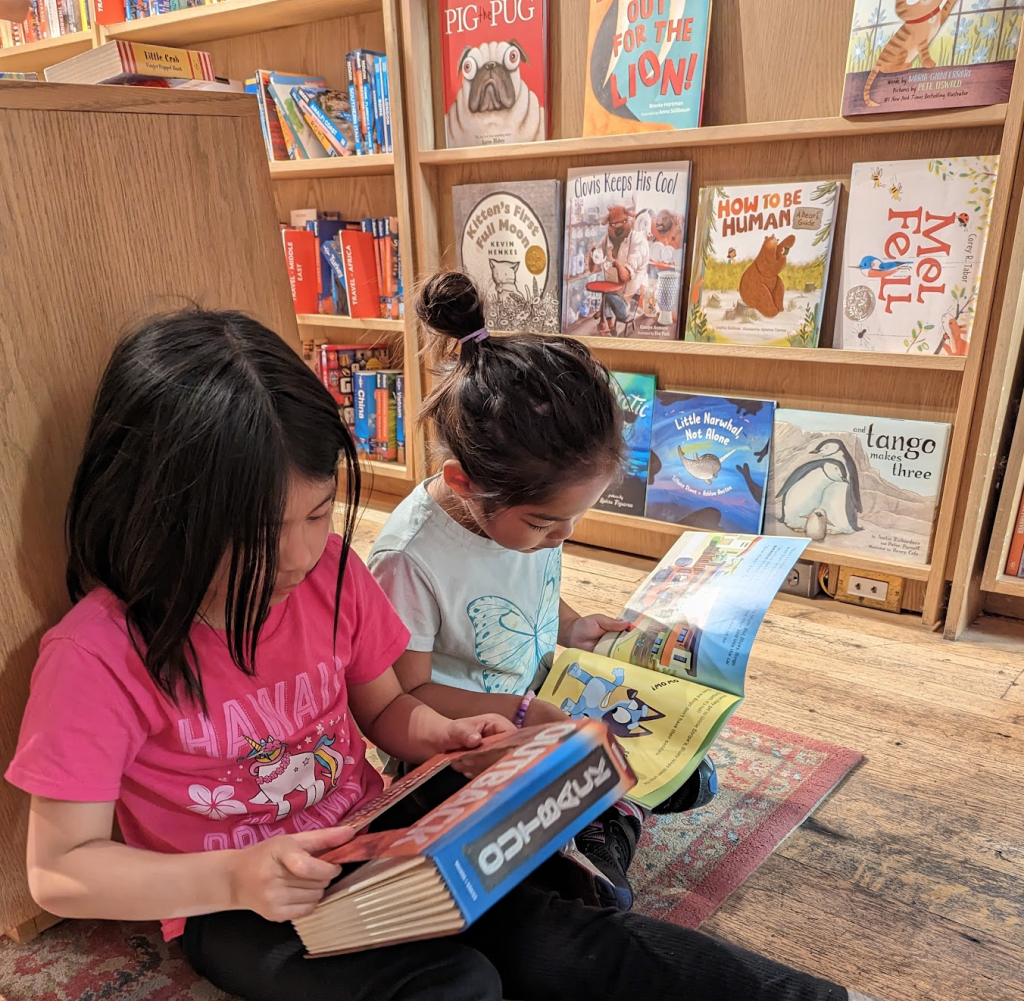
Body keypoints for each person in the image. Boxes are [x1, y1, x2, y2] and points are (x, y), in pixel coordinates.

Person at [6, 308, 883, 1001]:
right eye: (263, 538)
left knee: (564, 943)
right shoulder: (95, 655)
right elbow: (60, 870)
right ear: (161, 515)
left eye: (318, 516)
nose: (304, 554)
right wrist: (235, 873)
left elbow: (386, 706)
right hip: (232, 904)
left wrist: (436, 733)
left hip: (377, 838)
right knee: (456, 983)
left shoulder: (332, 576)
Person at [368, 270, 717, 910]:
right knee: (532, 812)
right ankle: (601, 832)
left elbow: (531, 589)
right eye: (544, 523)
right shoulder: (409, 559)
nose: (560, 538)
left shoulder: (525, 523)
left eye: (573, 521)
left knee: (685, 773)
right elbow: (405, 693)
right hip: (460, 742)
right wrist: (521, 717)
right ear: (465, 482)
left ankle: (604, 813)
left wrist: (574, 628)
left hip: (535, 702)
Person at [588, 202, 649, 333]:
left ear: (629, 222)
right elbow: (592, 269)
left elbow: (625, 277)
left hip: (628, 305)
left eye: (623, 222)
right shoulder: (606, 239)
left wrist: (616, 264)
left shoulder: (638, 242)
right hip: (613, 296)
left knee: (607, 296)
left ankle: (606, 319)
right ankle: (607, 321)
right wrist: (592, 254)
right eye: (614, 225)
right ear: (609, 225)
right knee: (608, 296)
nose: (618, 228)